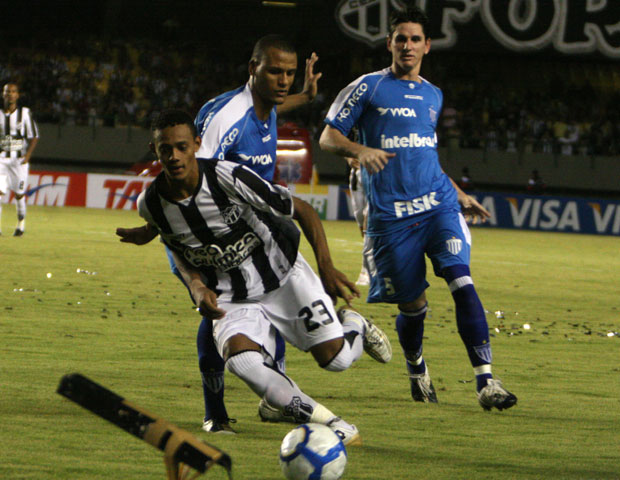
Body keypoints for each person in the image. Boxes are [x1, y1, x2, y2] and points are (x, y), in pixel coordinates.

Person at [117, 35, 355, 434]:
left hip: (255, 233)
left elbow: (278, 105)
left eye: (289, 74)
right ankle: (217, 411)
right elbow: (189, 171)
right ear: (252, 69)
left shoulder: (264, 105)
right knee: (212, 314)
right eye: (275, 72)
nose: (283, 81)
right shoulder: (225, 122)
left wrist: (307, 95)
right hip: (206, 236)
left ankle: (279, 393)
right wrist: (154, 225)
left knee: (299, 335)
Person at [137, 109, 392, 446]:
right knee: (242, 362)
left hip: (283, 278)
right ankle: (332, 423)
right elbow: (178, 248)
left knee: (337, 360)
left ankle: (354, 326)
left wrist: (327, 267)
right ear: (155, 150)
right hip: (230, 295)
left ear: (197, 144)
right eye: (165, 149)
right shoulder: (150, 203)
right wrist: (197, 284)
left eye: (182, 147)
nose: (174, 156)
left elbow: (302, 209)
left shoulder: (228, 178)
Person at [319, 6, 517, 411]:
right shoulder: (368, 87)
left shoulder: (433, 94)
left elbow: (425, 153)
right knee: (414, 308)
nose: (407, 45)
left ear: (427, 45)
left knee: (461, 280)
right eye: (400, 38)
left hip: (437, 206)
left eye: (414, 39)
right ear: (389, 43)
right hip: (392, 220)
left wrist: (458, 193)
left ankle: (486, 381)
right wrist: (361, 150)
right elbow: (327, 137)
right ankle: (416, 368)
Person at [0, 82, 39, 236]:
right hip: (1, 160)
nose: (10, 94)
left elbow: (34, 136)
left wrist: (27, 156)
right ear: (3, 94)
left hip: (19, 162)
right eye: (7, 91)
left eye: (13, 91)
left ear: (17, 95)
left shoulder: (24, 113)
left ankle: (21, 224)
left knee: (19, 195)